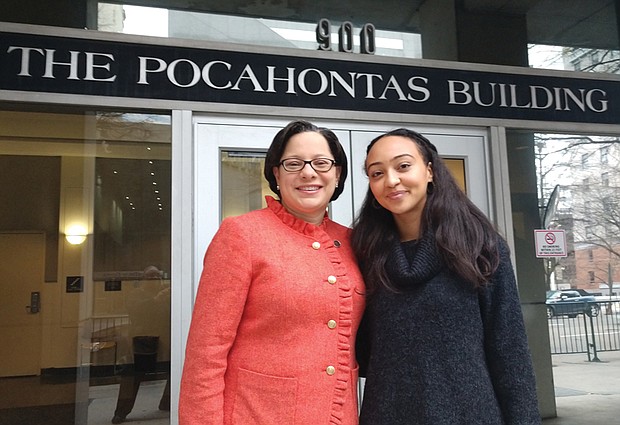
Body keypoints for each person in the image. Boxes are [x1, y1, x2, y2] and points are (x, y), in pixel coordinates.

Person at [179, 120, 366, 425]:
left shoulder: (353, 241)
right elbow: (206, 354)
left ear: (338, 174)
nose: (308, 172)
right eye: (293, 164)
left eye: (321, 163)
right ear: (276, 174)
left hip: (338, 415)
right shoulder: (242, 234)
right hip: (259, 414)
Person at [351, 128, 540, 424]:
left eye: (403, 166)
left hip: (471, 414)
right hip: (387, 414)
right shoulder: (365, 252)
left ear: (429, 171)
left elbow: (510, 353)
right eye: (376, 173)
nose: (390, 181)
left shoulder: (479, 246)